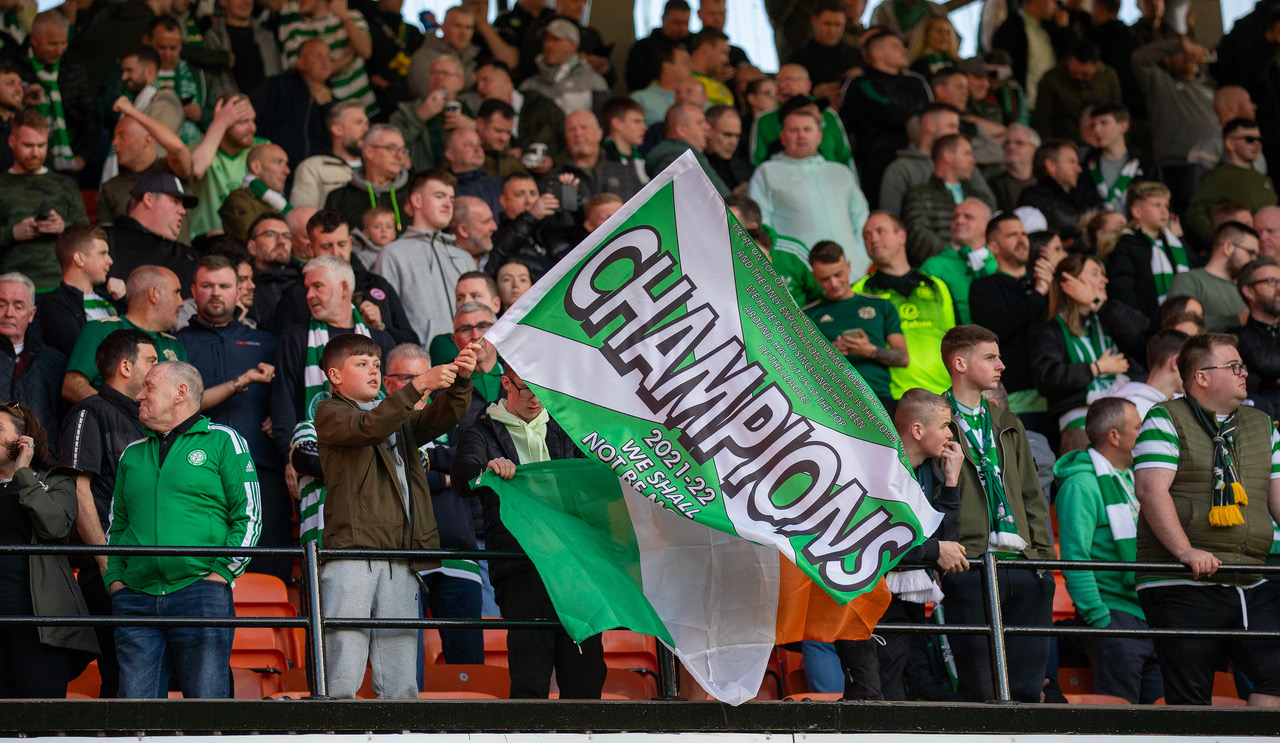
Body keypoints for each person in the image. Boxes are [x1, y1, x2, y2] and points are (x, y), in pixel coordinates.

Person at [315, 332, 475, 698]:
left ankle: (400, 725)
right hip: (352, 553)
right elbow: (368, 429)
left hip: (402, 554)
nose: (373, 370)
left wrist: (461, 381)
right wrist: (417, 386)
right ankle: (333, 725)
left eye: (376, 364)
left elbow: (444, 416)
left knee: (401, 668)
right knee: (344, 661)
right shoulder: (329, 412)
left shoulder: (397, 415)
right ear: (335, 376)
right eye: (362, 364)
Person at [1132, 333, 1280, 706]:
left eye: (1242, 366)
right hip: (1182, 579)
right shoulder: (1164, 417)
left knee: (1276, 677)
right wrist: (1186, 551)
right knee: (1191, 699)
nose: (1244, 373)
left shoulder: (1263, 424)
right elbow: (1150, 491)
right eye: (1234, 367)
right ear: (1201, 376)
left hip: (1249, 578)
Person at [106, 361, 260, 699]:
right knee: (135, 713)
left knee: (205, 708)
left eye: (149, 386)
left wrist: (220, 575)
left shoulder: (224, 440)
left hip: (201, 590)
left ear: (181, 392)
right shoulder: (132, 454)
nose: (139, 395)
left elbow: (249, 515)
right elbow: (117, 525)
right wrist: (116, 580)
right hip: (135, 596)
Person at [455, 363, 606, 699]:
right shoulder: (481, 432)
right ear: (506, 383)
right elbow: (464, 477)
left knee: (585, 675)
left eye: (542, 389)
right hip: (521, 566)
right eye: (526, 389)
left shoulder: (568, 427)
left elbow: (598, 475)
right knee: (530, 676)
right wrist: (487, 469)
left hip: (575, 564)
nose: (536, 399)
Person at [939, 324, 1057, 703]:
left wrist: (1042, 563)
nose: (1001, 365)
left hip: (1022, 565)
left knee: (1026, 687)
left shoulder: (1008, 422)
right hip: (968, 563)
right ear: (960, 363)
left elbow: (1031, 496)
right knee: (978, 687)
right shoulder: (935, 420)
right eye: (990, 357)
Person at [58, 329, 157, 698]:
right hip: (111, 571)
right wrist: (105, 563)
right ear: (126, 367)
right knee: (122, 681)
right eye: (151, 360)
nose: (157, 368)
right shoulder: (90, 411)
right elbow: (76, 489)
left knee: (147, 678)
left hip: (148, 569)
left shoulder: (149, 420)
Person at [175, 255, 285, 581]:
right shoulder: (176, 344)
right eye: (207, 286)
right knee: (202, 567)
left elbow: (289, 397)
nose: (215, 293)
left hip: (262, 467)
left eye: (224, 286)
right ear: (193, 290)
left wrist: (278, 417)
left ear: (239, 291)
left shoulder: (267, 342)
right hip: (198, 468)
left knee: (269, 566)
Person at [381, 340, 485, 666]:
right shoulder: (377, 419)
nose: (419, 384)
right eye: (407, 378)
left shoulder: (449, 413)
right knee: (404, 668)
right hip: (402, 557)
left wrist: (426, 460)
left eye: (423, 375)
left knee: (468, 666)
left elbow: (473, 460)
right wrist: (445, 479)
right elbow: (389, 478)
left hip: (458, 554)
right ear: (387, 382)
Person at [1054, 397, 1163, 704]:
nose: (1145, 433)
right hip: (1114, 616)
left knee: (1164, 718)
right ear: (1114, 436)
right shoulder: (1081, 484)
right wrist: (1100, 619)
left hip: (1149, 614)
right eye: (1138, 427)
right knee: (1120, 718)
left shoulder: (1135, 479)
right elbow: (1075, 557)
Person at [0, 401, 96, 698]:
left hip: (40, 625)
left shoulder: (54, 480)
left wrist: (23, 474)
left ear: (23, 440)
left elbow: (56, 529)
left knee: (39, 715)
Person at [883, 387, 968, 701]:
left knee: (905, 692)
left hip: (912, 598)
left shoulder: (930, 472)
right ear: (917, 430)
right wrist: (934, 551)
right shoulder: (880, 471)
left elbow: (948, 542)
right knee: (882, 692)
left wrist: (951, 482)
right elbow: (878, 544)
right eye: (945, 425)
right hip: (877, 600)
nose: (950, 434)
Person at [1031, 253, 1148, 451]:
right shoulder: (1050, 329)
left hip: (1125, 409)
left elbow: (1137, 330)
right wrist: (1095, 368)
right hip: (1080, 417)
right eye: (1095, 274)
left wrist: (1097, 303)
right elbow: (1048, 379)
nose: (1105, 280)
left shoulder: (1107, 316)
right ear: (1071, 282)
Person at [970, 215, 1064, 432]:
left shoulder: (1046, 281)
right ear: (993, 246)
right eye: (1012, 235)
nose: (1022, 239)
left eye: (1023, 234)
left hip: (1059, 396)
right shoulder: (983, 288)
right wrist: (1038, 294)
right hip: (1018, 400)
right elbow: (1000, 327)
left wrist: (1052, 287)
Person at [748, 107, 870, 273]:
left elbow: (861, 219)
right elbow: (762, 224)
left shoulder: (841, 172)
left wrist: (863, 258)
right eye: (794, 130)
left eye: (807, 129)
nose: (801, 136)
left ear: (819, 136)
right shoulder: (767, 172)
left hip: (853, 270)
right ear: (782, 138)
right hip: (798, 273)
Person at [272, 209, 416, 345]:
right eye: (326, 246)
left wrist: (381, 328)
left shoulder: (377, 284)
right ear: (311, 248)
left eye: (341, 244)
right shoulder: (294, 295)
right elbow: (284, 346)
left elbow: (411, 343)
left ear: (350, 243)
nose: (336, 253)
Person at [853, 212, 955, 398]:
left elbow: (953, 341)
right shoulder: (860, 290)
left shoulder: (936, 285)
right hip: (893, 397)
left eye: (880, 231)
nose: (873, 239)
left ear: (901, 236)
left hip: (943, 391)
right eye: (867, 236)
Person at [803, 240, 906, 412]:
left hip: (878, 399)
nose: (834, 283)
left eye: (838, 274)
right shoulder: (807, 315)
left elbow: (903, 358)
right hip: (829, 403)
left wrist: (869, 350)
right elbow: (798, 368)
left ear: (848, 267)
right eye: (825, 279)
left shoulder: (881, 306)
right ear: (814, 277)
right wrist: (827, 355)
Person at [373, 170, 474, 344]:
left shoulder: (464, 257)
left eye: (451, 199)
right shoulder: (392, 254)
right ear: (417, 201)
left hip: (470, 356)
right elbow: (386, 321)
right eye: (439, 196)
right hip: (420, 358)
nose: (448, 204)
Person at [63, 266, 186, 404]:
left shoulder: (175, 345)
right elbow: (72, 385)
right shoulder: (102, 328)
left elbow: (187, 400)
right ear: (154, 294)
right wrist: (114, 412)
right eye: (176, 293)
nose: (182, 303)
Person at [841, 30, 931, 207]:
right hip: (878, 167)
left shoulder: (916, 81)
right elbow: (888, 112)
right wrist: (913, 119)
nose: (904, 50)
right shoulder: (861, 83)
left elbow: (929, 116)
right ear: (877, 53)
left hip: (920, 161)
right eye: (896, 46)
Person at [0, 109, 86, 290]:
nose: (35, 152)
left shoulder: (65, 184)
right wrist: (13, 233)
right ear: (12, 142)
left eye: (41, 145)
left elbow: (88, 237)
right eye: (28, 145)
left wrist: (63, 227)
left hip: (61, 284)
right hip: (11, 287)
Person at [1131, 35, 1216, 210]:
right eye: (1182, 53)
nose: (1188, 56)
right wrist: (1179, 45)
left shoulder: (1209, 86)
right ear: (1167, 59)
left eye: (1191, 53)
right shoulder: (1160, 84)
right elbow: (1139, 59)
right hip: (1175, 165)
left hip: (1209, 165)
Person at [97, 96, 194, 234]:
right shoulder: (110, 187)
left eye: (122, 136)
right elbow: (105, 239)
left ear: (147, 140)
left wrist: (132, 111)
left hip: (178, 248)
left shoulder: (171, 169)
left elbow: (178, 148)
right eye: (114, 137)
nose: (114, 143)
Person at [901, 134, 997, 265]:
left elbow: (995, 231)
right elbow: (918, 235)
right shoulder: (918, 195)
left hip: (983, 267)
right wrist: (956, 261)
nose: (973, 160)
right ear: (948, 155)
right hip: (939, 269)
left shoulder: (981, 197)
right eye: (967, 153)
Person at [20, 11, 94, 177]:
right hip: (22, 158)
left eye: (63, 43)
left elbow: (89, 116)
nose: (59, 50)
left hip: (67, 159)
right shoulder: (15, 65)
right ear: (34, 40)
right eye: (52, 44)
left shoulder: (73, 66)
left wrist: (83, 156)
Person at [1106, 181, 1190, 321]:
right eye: (1157, 205)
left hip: (1182, 319)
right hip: (1146, 323)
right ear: (1137, 211)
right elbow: (1123, 289)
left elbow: (1192, 273)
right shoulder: (1126, 244)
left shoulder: (1174, 244)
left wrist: (1181, 239)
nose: (1164, 211)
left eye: (1166, 206)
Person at [276, 0, 376, 116]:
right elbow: (302, 72)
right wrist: (346, 59)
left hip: (364, 108)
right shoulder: (294, 29)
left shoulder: (352, 16)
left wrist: (345, 18)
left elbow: (366, 51)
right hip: (326, 114)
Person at [1186, 119, 1277, 247]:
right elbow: (1195, 213)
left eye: (1259, 139)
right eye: (1249, 139)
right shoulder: (1217, 177)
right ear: (1230, 143)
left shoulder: (1263, 180)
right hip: (1236, 249)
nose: (1256, 144)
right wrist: (1220, 239)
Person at [248, 39, 333, 176]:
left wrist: (327, 106)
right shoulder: (275, 86)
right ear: (301, 62)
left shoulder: (332, 102)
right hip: (271, 172)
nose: (325, 61)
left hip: (316, 175)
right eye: (318, 56)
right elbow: (248, 117)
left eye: (329, 57)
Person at [38, 225, 124, 359]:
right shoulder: (55, 303)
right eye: (103, 253)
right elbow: (80, 352)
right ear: (80, 258)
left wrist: (123, 302)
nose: (110, 261)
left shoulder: (112, 297)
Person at [105, 174, 201, 293]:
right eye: (175, 202)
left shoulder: (190, 256)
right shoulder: (106, 242)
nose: (183, 211)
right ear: (149, 199)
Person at [189, 94, 265, 238]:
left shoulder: (261, 149)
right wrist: (220, 122)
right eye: (243, 122)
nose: (253, 128)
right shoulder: (198, 150)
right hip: (205, 240)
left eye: (253, 120)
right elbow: (196, 169)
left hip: (250, 242)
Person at [724, 193, 821, 306]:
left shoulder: (792, 251)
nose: (723, 233)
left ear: (752, 228)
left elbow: (824, 293)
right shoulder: (722, 259)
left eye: (730, 228)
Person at [0, 271, 65, 439]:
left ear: (31, 314)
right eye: (1, 305)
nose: (9, 313)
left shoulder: (54, 362)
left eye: (18, 306)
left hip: (41, 454)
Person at [749, 65, 853, 168]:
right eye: (777, 81)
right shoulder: (765, 120)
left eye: (789, 79)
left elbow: (845, 156)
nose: (781, 85)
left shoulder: (829, 116)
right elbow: (757, 162)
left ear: (808, 84)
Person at [1168, 222, 1257, 333]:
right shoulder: (1189, 280)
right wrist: (1234, 320)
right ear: (1228, 247)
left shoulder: (1244, 289)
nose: (1254, 260)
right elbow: (1178, 325)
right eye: (1250, 253)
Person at [989, 0, 1077, 109]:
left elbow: (1071, 56)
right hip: (1024, 105)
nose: (1056, 7)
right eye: (1053, 1)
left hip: (1050, 104)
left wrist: (1065, 30)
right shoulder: (1010, 29)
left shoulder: (1050, 27)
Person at [919, 199, 994, 324]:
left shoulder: (1001, 260)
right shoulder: (933, 266)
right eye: (955, 217)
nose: (959, 221)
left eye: (968, 217)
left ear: (987, 225)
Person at [1030, 41, 1122, 142]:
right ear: (1068, 62)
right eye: (1074, 73)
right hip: (1066, 138)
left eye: (1085, 74)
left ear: (1096, 66)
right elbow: (1042, 119)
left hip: (1102, 138)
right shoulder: (1051, 79)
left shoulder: (1108, 75)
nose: (1079, 77)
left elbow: (1116, 110)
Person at [324, 124, 409, 234]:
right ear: (369, 152)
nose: (400, 156)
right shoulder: (338, 198)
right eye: (392, 148)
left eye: (403, 151)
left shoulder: (412, 194)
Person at [1076, 103, 1159, 213]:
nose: (1097, 129)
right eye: (1093, 125)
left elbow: (1159, 200)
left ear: (1123, 126)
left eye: (1104, 123)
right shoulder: (1087, 164)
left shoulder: (1145, 163)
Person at [1018, 139, 1099, 247]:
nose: (1079, 169)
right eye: (1071, 162)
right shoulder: (1035, 197)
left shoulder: (1080, 194)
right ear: (1051, 165)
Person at [519, 19, 606, 117]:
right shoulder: (529, 85)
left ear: (574, 46)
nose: (549, 45)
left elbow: (602, 122)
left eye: (556, 39)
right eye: (546, 39)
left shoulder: (592, 82)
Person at [290, 100, 368, 210]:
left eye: (367, 124)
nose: (366, 129)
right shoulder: (313, 167)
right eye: (359, 123)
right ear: (337, 130)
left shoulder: (376, 166)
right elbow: (302, 216)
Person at [201, 0, 282, 98]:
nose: (245, 2)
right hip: (231, 104)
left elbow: (277, 79)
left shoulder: (267, 37)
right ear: (223, 1)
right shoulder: (213, 38)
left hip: (268, 105)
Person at [645, 103, 729, 197]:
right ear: (681, 130)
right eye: (700, 122)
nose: (707, 127)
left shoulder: (685, 156)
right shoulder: (677, 160)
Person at [1101, 329, 1188, 419]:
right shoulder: (1130, 409)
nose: (1193, 373)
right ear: (1176, 362)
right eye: (1189, 364)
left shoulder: (1182, 406)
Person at [1232, 258, 1280, 418]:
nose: (1279, 288)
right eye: (1272, 281)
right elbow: (1268, 366)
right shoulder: (1238, 337)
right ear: (1249, 292)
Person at [218, 144, 292, 243]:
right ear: (256, 167)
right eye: (278, 162)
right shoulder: (239, 200)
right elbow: (256, 241)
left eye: (286, 164)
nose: (287, 171)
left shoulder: (279, 203)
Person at [626, 0, 692, 93]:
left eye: (686, 23)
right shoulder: (643, 47)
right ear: (664, 19)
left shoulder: (693, 44)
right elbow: (633, 80)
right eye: (677, 23)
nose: (682, 28)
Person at [631, 43, 691, 127]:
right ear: (667, 67)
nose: (691, 67)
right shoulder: (640, 99)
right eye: (685, 62)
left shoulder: (696, 96)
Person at [700, 105, 752, 192]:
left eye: (737, 136)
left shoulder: (744, 168)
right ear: (708, 130)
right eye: (727, 135)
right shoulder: (697, 163)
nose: (734, 142)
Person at [990, 123, 1040, 212]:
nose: (1011, 147)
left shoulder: (1044, 184)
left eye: (1019, 143)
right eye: (1007, 143)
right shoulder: (993, 185)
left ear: (1035, 150)